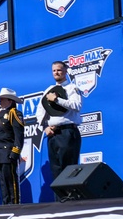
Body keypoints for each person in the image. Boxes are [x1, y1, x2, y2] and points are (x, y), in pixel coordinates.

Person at [35, 60, 82, 190]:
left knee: (69, 169)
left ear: (66, 72)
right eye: (54, 70)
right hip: (52, 134)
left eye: (59, 70)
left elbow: (77, 106)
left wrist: (56, 99)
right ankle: (60, 203)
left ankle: (72, 202)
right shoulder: (48, 90)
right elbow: (40, 111)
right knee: (55, 170)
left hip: (68, 132)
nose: (56, 72)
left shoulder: (72, 88)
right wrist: (45, 127)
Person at [0, 87, 25, 205]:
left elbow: (19, 134)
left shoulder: (14, 113)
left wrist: (16, 151)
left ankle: (14, 204)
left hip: (8, 152)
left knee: (10, 180)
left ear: (10, 101)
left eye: (2, 99)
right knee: (2, 182)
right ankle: (6, 204)